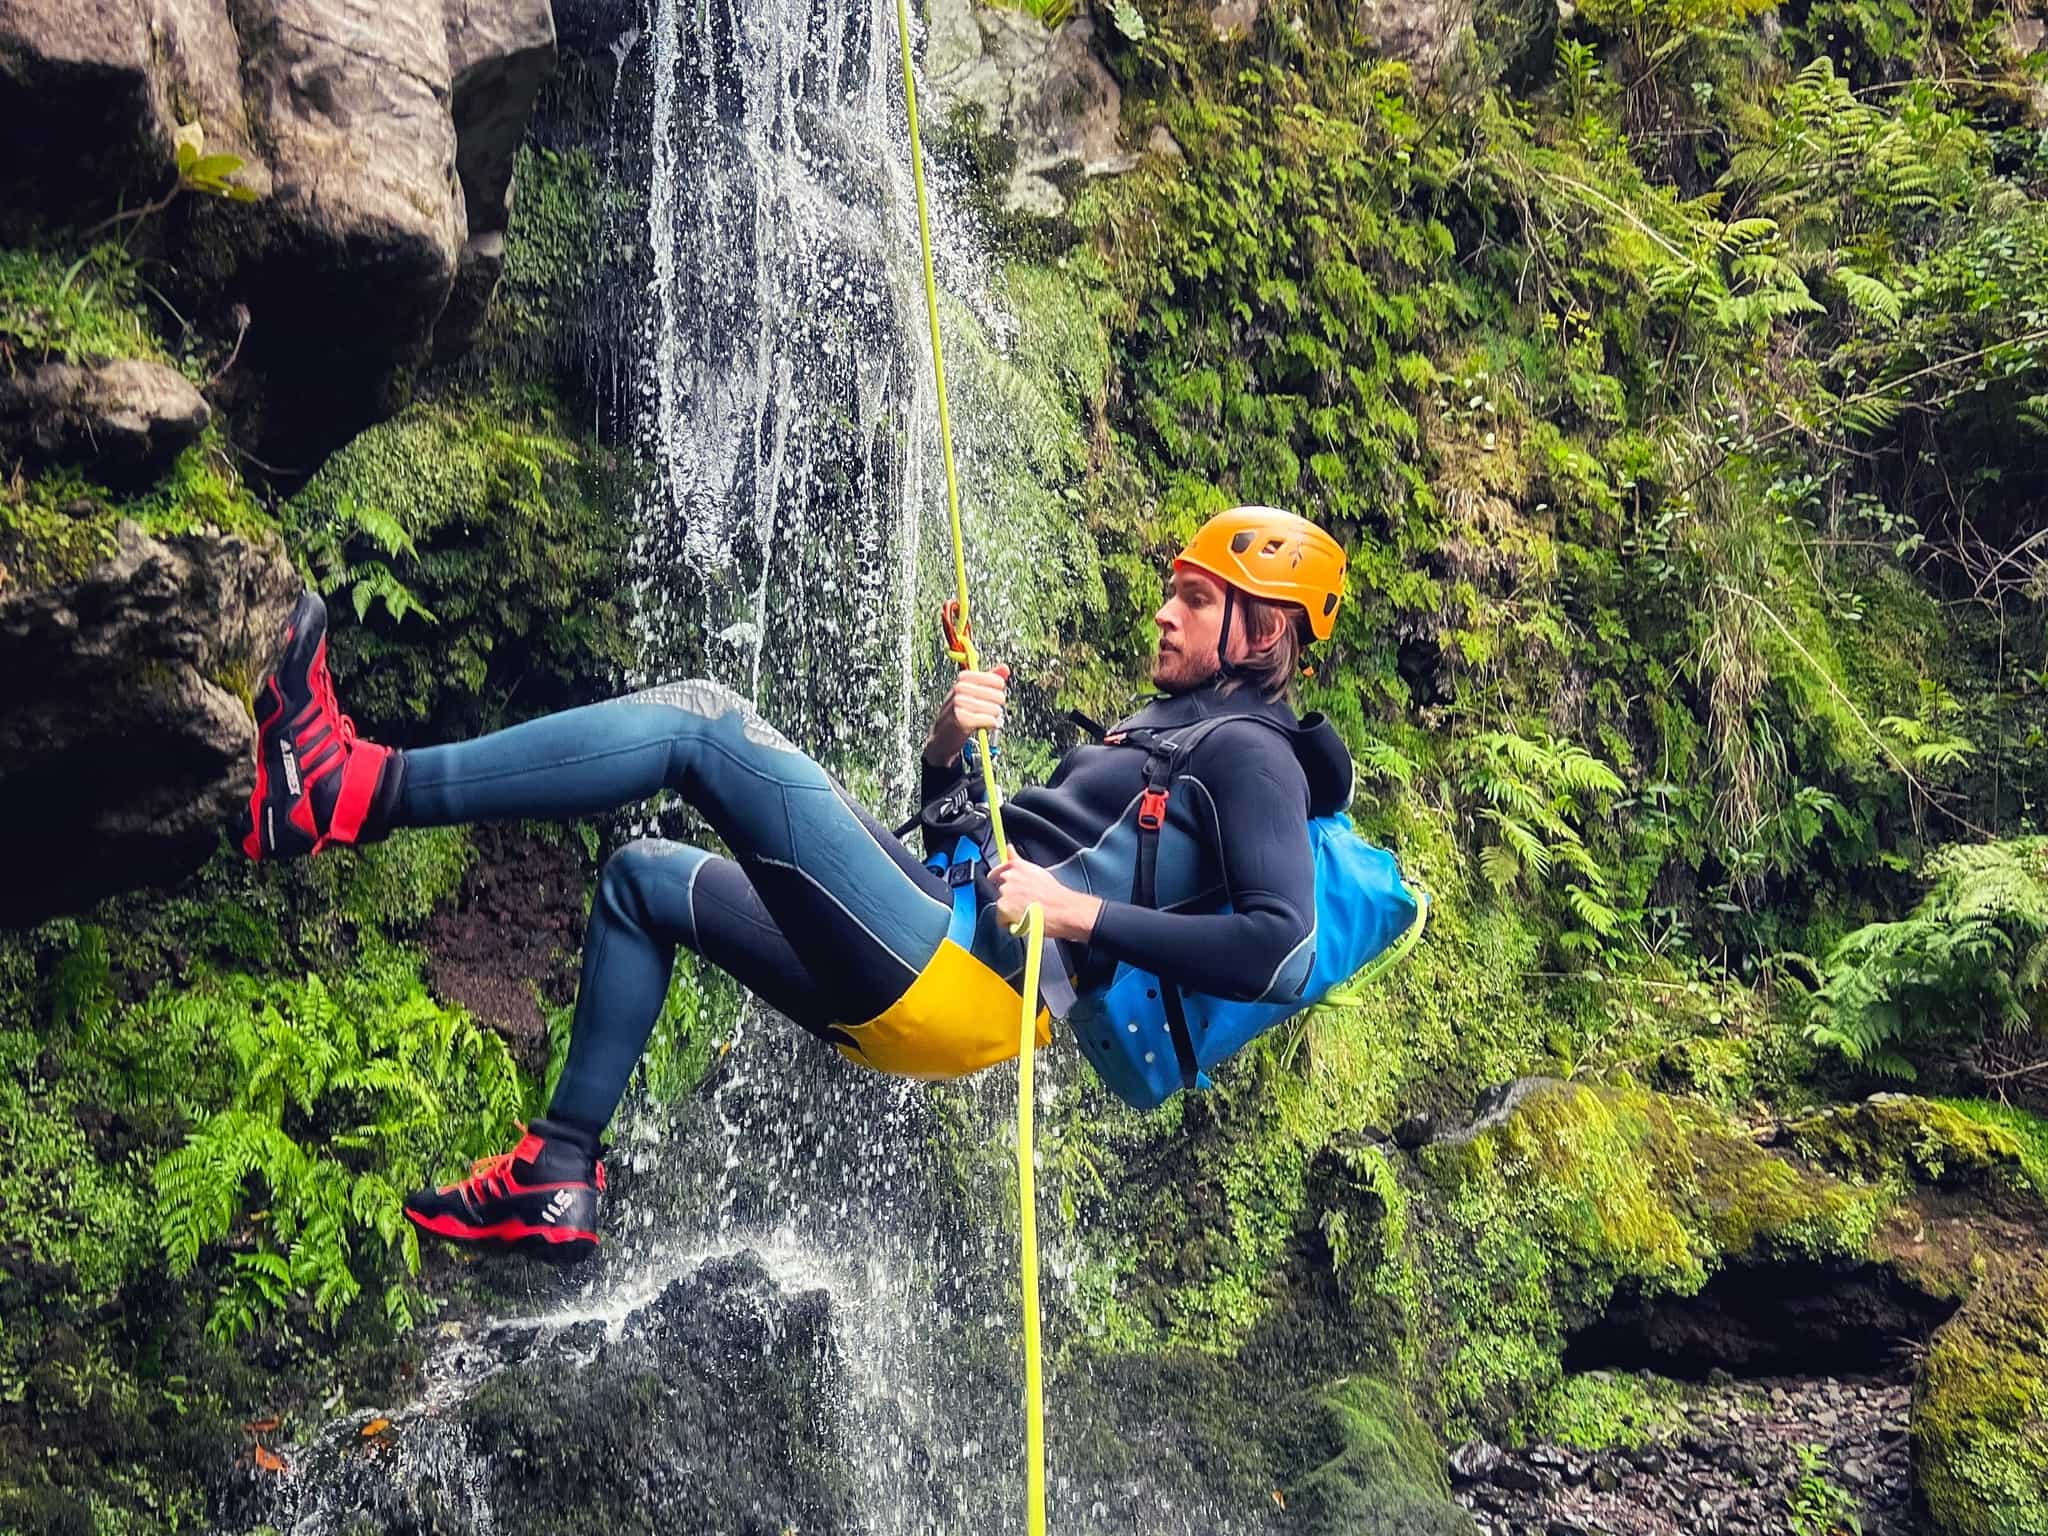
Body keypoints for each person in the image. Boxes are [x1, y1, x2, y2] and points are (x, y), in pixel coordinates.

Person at [241, 506, 1351, 1261]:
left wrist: (1076, 912)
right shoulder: (1164, 730)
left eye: (1194, 601)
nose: (1164, 611)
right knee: (644, 881)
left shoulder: (1253, 754)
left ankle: (342, 788)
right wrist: (941, 750)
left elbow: (1277, 947)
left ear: (1266, 628)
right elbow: (974, 841)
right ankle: (557, 1172)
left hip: (962, 976)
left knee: (703, 725)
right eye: (1171, 591)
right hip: (934, 950)